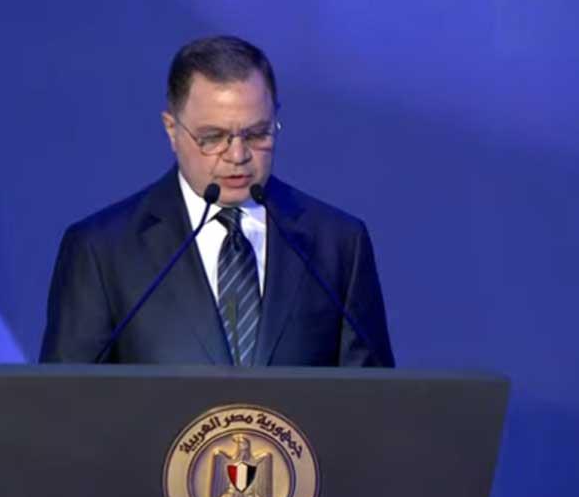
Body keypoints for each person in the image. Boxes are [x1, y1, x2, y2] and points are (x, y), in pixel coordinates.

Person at [39, 35, 394, 367]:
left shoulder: (337, 244)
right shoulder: (102, 251)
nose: (237, 155)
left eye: (257, 134)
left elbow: (371, 398)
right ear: (172, 130)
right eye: (213, 137)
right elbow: (68, 401)